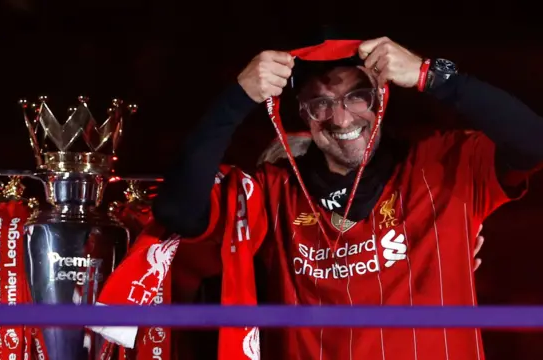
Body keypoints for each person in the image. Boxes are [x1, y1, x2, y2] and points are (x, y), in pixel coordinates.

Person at [145, 33, 543, 360]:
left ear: (381, 99)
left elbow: (533, 143)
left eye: (357, 96)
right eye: (320, 103)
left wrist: (432, 76)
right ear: (303, 115)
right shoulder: (276, 190)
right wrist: (236, 98)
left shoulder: (445, 167)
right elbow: (179, 212)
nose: (342, 118)